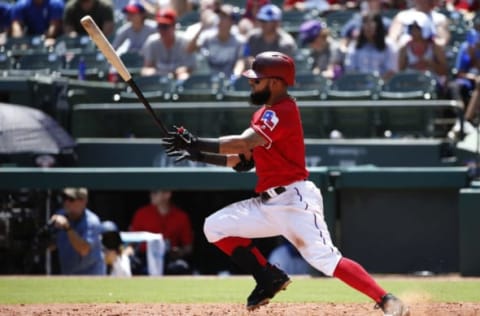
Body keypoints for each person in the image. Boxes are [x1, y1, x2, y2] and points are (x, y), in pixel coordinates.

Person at [162, 51, 410, 315]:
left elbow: (245, 143)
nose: (251, 83)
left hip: (294, 201)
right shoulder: (263, 114)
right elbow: (243, 160)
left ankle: (387, 300)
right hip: (268, 204)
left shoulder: (281, 111)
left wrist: (197, 141)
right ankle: (268, 277)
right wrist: (199, 154)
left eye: (258, 80)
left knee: (326, 260)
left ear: (276, 82)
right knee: (214, 227)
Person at [129, 189, 193, 275]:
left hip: (169, 259)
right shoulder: (141, 213)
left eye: (155, 192)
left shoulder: (181, 216)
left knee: (182, 267)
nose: (151, 195)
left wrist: (179, 252)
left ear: (167, 194)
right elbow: (132, 243)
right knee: (132, 265)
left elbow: (188, 247)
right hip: (145, 258)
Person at [49, 188, 105, 275]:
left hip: (91, 277)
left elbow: (83, 250)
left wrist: (67, 227)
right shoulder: (60, 215)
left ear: (84, 201)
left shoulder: (92, 221)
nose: (66, 203)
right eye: (65, 198)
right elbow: (52, 246)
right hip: (68, 275)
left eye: (71, 199)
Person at [186, 4, 244, 78]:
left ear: (232, 21)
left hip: (229, 82)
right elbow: (189, 50)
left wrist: (236, 76)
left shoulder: (239, 41)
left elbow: (241, 61)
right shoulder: (207, 37)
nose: (220, 19)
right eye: (219, 16)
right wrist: (202, 27)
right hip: (208, 82)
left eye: (224, 17)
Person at [140, 7, 196, 80]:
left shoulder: (185, 41)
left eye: (165, 26)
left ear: (174, 26)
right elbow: (147, 67)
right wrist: (155, 72)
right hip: (159, 78)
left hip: (178, 78)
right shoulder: (152, 41)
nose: (161, 30)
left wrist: (174, 73)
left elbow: (190, 67)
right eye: (159, 26)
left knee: (184, 76)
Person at [242, 4, 297, 71]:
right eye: (261, 20)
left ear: (276, 23)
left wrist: (257, 65)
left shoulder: (286, 43)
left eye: (265, 21)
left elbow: (284, 70)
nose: (262, 23)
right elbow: (245, 58)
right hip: (254, 78)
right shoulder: (252, 37)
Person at [344, 13, 397, 80]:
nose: (367, 29)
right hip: (358, 86)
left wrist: (377, 84)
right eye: (365, 25)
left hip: (382, 86)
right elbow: (350, 69)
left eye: (371, 27)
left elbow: (391, 71)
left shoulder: (388, 46)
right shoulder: (355, 46)